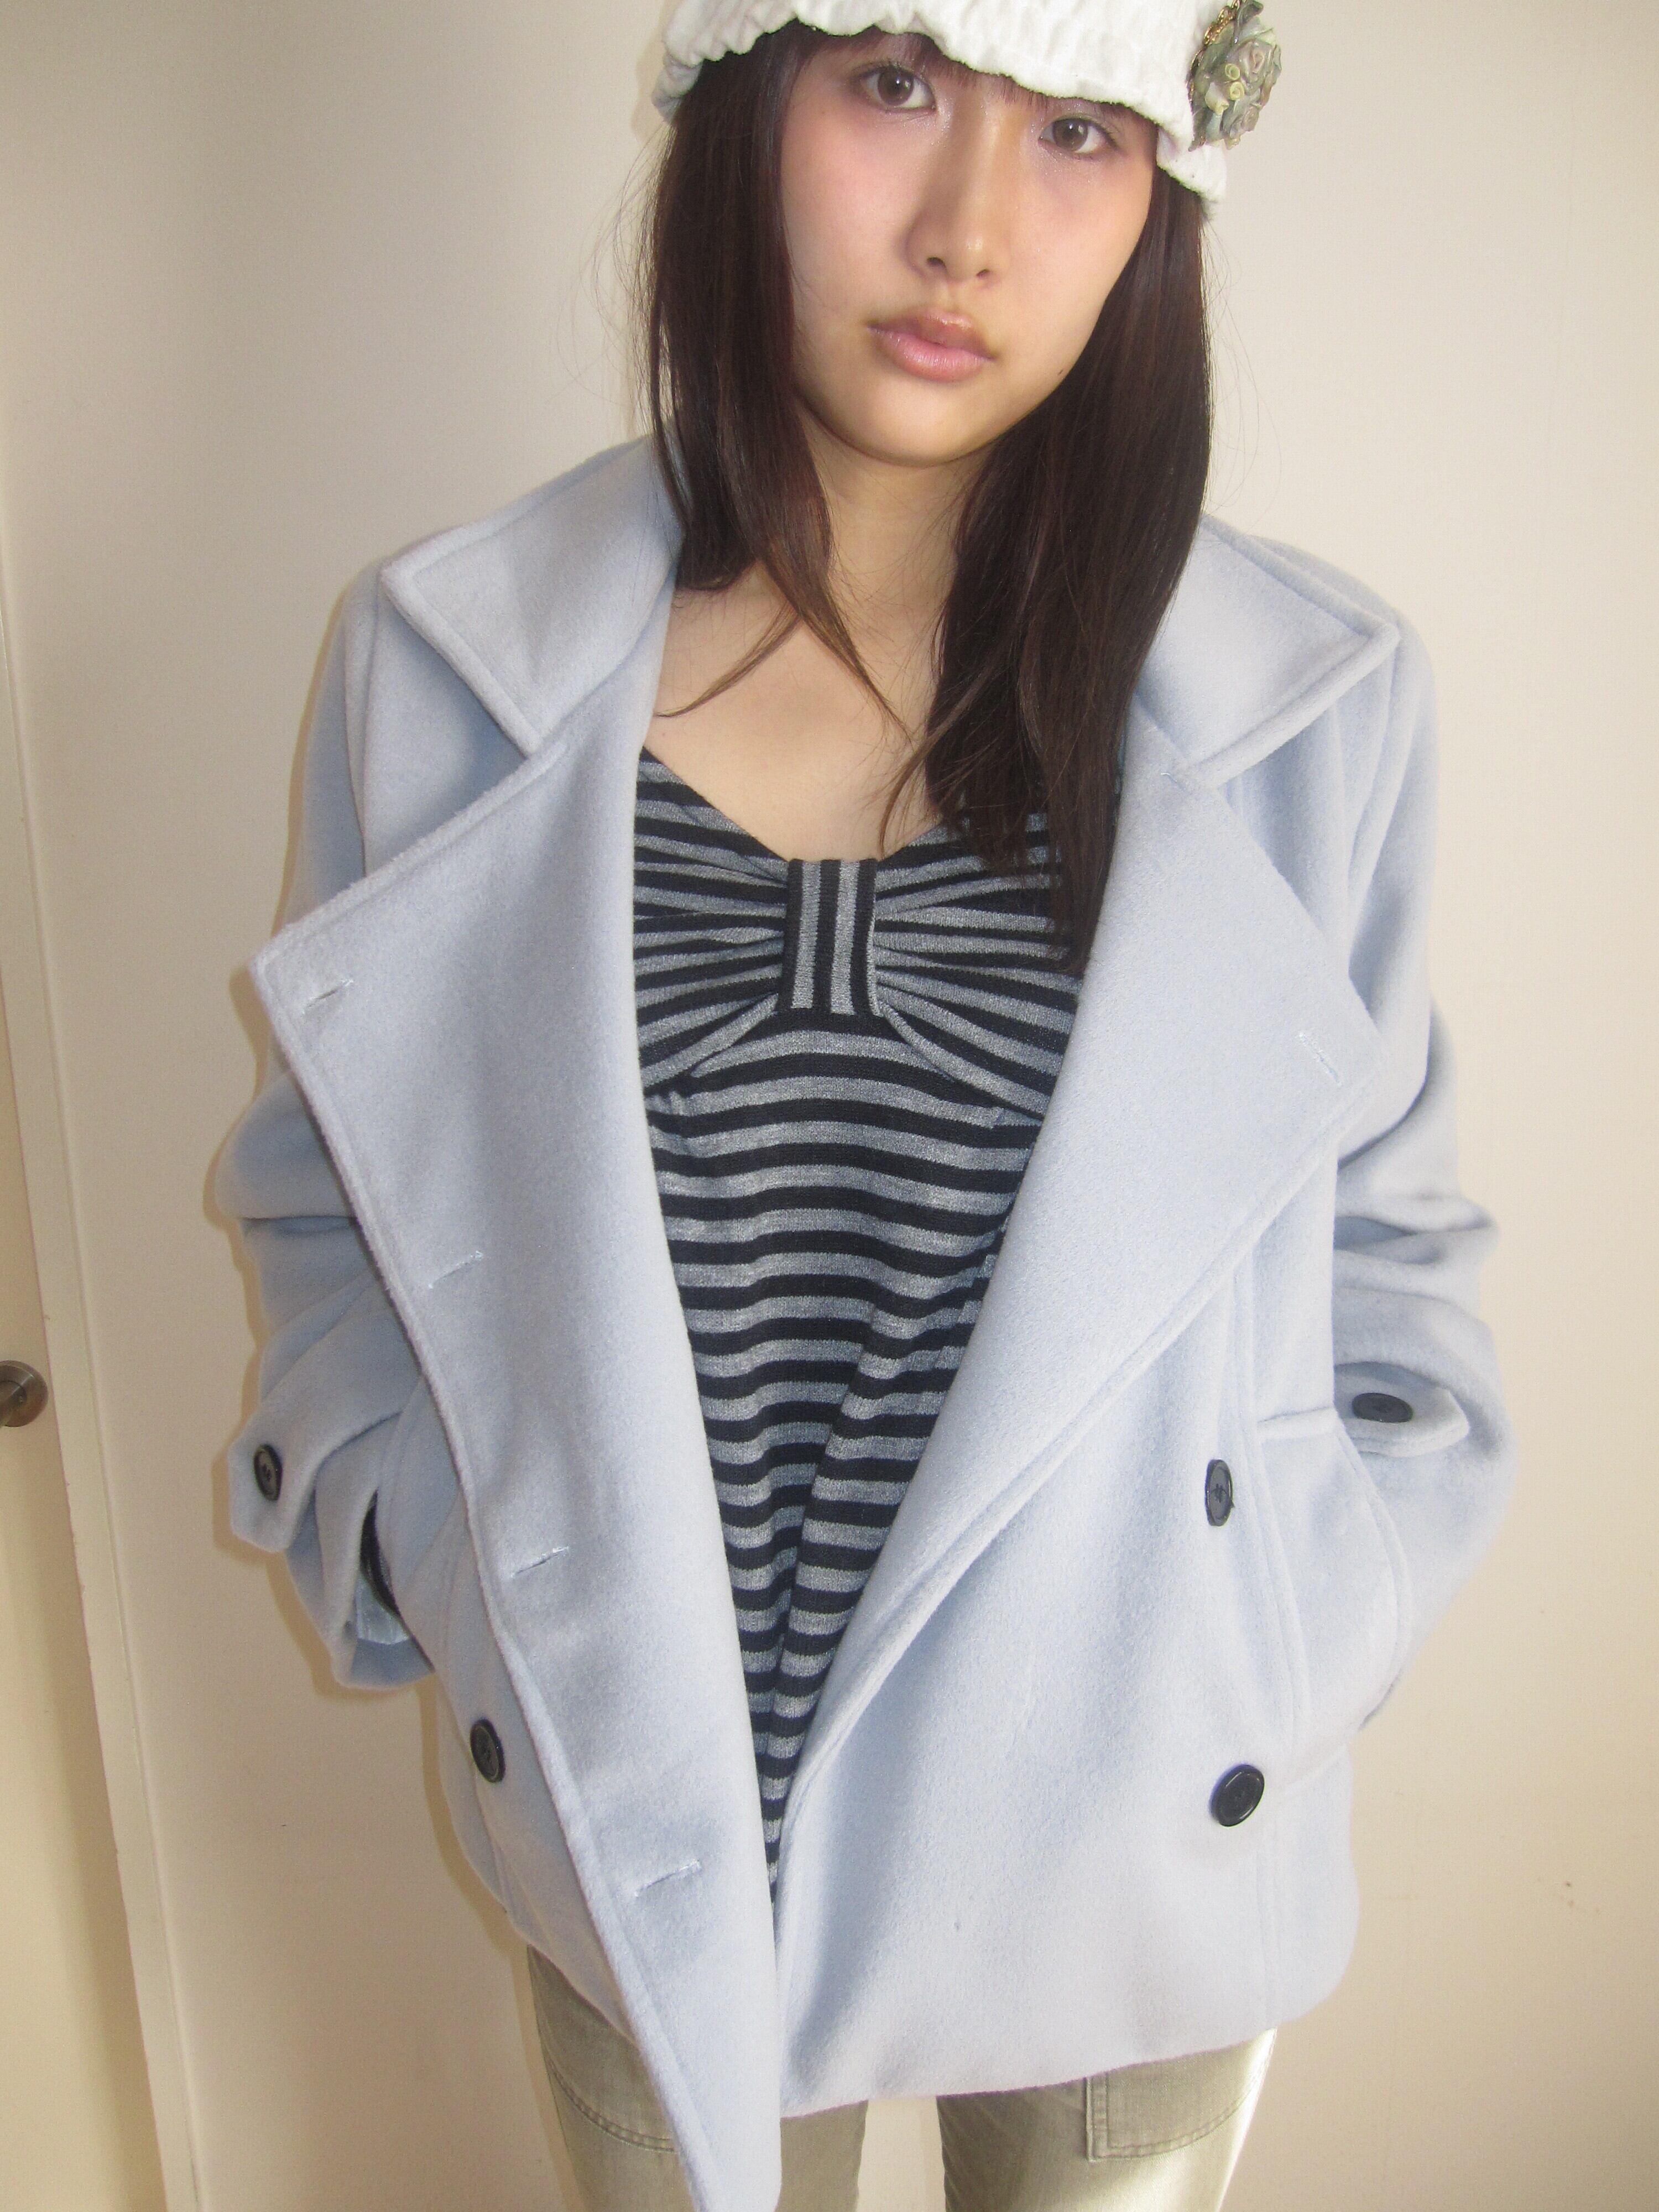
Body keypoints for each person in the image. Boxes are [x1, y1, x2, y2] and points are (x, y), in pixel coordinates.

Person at [212, 4, 1516, 2208]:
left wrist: (1294, 1627)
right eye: (897, 85)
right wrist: (443, 1550)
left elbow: (1389, 1251)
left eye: (1080, 130)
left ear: (1167, 199)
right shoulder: (447, 665)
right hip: (657, 1833)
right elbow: (336, 1208)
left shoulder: (1310, 706)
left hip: (1132, 1832)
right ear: (746, 99)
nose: (969, 230)